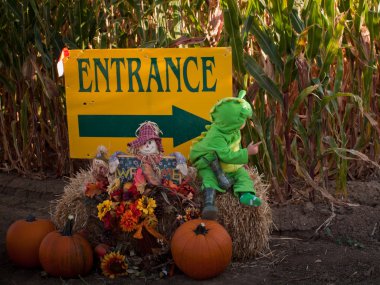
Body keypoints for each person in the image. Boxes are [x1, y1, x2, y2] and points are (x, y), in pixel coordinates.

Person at [189, 90, 262, 220]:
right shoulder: (216, 136)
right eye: (244, 119)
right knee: (209, 177)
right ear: (233, 120)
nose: (245, 122)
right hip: (208, 160)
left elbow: (234, 147)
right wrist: (247, 152)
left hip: (226, 163)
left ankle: (246, 194)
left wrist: (241, 161)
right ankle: (209, 204)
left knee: (242, 174)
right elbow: (226, 156)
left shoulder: (232, 130)